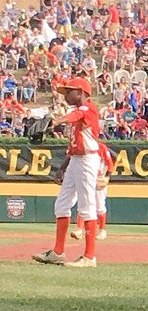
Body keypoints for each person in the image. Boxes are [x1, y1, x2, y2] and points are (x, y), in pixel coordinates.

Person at [33, 78, 103, 268]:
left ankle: (89, 257)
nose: (66, 95)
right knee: (62, 204)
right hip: (75, 160)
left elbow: (77, 115)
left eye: (69, 91)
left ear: (80, 92)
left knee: (87, 206)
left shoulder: (89, 109)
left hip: (88, 160)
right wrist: (62, 168)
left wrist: (56, 120)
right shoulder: (77, 114)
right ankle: (57, 252)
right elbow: (73, 147)